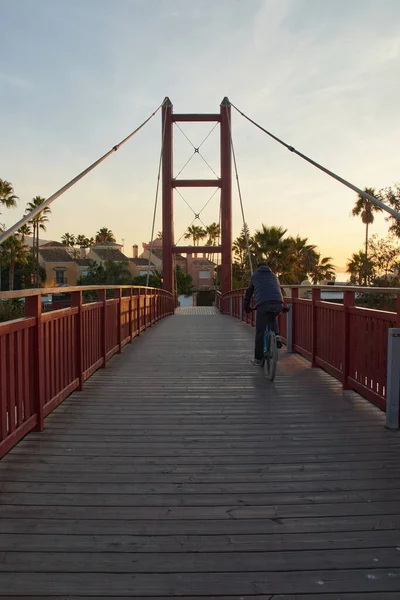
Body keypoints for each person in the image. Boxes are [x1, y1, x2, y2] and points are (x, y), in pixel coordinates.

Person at [244, 262, 283, 366]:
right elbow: (278, 290)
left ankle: (258, 358)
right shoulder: (274, 276)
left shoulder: (255, 276)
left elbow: (249, 292)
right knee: (273, 316)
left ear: (258, 268)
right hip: (278, 303)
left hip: (263, 304)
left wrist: (246, 306)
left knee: (260, 331)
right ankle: (277, 336)